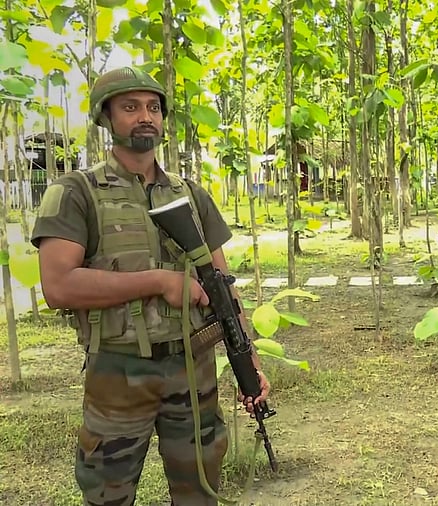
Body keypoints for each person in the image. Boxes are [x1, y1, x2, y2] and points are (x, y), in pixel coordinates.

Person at [30, 66, 271, 506]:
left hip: (192, 371)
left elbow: (221, 285)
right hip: (119, 372)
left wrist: (247, 357)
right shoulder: (75, 192)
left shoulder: (191, 194)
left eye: (153, 108)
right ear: (107, 118)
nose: (145, 116)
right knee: (109, 494)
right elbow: (58, 286)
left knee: (199, 491)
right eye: (130, 107)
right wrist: (160, 281)